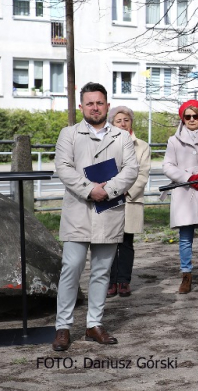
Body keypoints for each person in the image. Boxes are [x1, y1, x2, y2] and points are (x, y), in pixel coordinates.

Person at [51, 82, 139, 351]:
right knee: (71, 269)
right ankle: (63, 326)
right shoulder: (69, 134)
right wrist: (90, 190)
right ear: (81, 106)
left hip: (108, 211)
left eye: (99, 103)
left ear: (107, 105)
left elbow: (131, 169)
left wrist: (108, 190)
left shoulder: (122, 137)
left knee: (102, 271)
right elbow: (63, 167)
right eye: (89, 103)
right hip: (79, 210)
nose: (95, 107)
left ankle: (94, 324)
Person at [162, 100, 198, 294]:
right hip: (184, 193)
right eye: (188, 116)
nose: (192, 120)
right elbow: (167, 165)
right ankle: (186, 275)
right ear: (182, 118)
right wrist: (188, 178)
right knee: (185, 238)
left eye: (196, 116)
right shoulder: (174, 140)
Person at [106, 106, 152, 298]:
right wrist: (110, 190)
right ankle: (110, 281)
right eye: (119, 120)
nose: (123, 124)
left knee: (126, 242)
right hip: (108, 198)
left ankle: (124, 280)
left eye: (126, 120)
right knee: (107, 242)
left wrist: (126, 191)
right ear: (112, 123)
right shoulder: (104, 143)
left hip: (129, 199)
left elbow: (143, 174)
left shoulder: (142, 146)